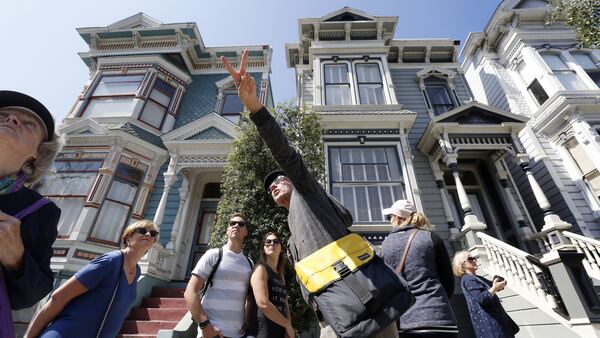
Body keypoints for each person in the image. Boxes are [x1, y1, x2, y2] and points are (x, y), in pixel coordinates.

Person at [222, 50, 401, 338]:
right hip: (332, 318)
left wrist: (255, 109)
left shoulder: (307, 196)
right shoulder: (291, 239)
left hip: (365, 305)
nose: (274, 187)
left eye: (279, 181)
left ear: (293, 181)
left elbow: (285, 154)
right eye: (269, 189)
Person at [24, 220, 160, 338]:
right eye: (142, 230)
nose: (148, 234)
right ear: (128, 238)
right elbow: (58, 298)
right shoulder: (110, 261)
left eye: (153, 234)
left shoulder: (137, 271)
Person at [0, 90, 62, 336]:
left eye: (28, 123)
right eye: (2, 115)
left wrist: (16, 260)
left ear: (39, 152)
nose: (11, 119)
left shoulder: (40, 211)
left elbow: (31, 296)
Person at [380, 200, 458, 337]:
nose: (389, 221)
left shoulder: (385, 245)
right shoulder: (431, 237)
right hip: (439, 318)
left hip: (406, 322)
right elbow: (448, 279)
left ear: (398, 218)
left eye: (389, 217)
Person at [184, 213, 253, 338]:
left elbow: (249, 298)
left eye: (241, 224)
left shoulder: (249, 263)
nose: (236, 225)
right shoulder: (213, 255)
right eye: (232, 223)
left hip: (238, 334)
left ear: (245, 232)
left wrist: (248, 324)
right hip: (213, 333)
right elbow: (190, 292)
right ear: (227, 230)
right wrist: (205, 325)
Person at [452, 251, 519, 338]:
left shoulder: (478, 278)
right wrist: (494, 288)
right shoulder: (468, 279)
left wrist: (498, 283)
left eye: (474, 258)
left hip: (497, 323)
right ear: (462, 264)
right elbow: (481, 298)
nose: (475, 261)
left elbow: (493, 287)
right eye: (470, 259)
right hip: (491, 326)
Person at [246, 232, 293, 338]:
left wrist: (288, 327)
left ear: (281, 248)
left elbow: (285, 303)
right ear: (263, 249)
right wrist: (287, 324)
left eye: (276, 242)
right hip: (262, 331)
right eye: (268, 242)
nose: (272, 244)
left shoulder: (280, 274)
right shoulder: (260, 269)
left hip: (279, 331)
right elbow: (263, 303)